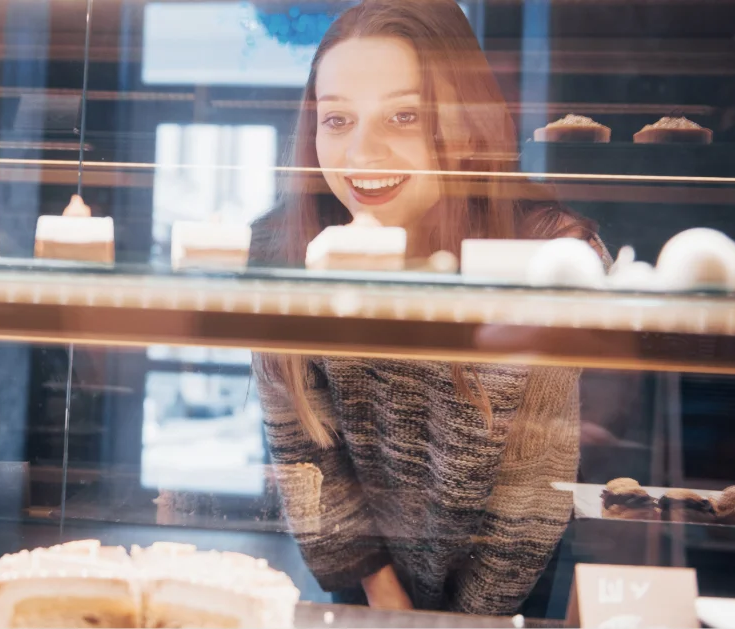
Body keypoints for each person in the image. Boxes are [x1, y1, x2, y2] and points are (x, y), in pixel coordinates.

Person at [251, 0, 607, 617]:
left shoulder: (553, 255)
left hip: (515, 588)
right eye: (337, 120)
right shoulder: (279, 251)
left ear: (468, 122)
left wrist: (457, 623)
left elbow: (533, 482)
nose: (362, 153)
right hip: (362, 579)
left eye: (405, 115)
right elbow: (302, 447)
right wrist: (382, 594)